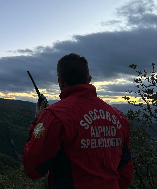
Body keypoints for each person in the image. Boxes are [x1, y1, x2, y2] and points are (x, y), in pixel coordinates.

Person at [22, 53, 133, 189]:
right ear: (89, 79)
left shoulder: (54, 116)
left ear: (60, 81)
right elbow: (125, 169)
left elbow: (33, 168)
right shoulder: (119, 117)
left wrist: (37, 122)